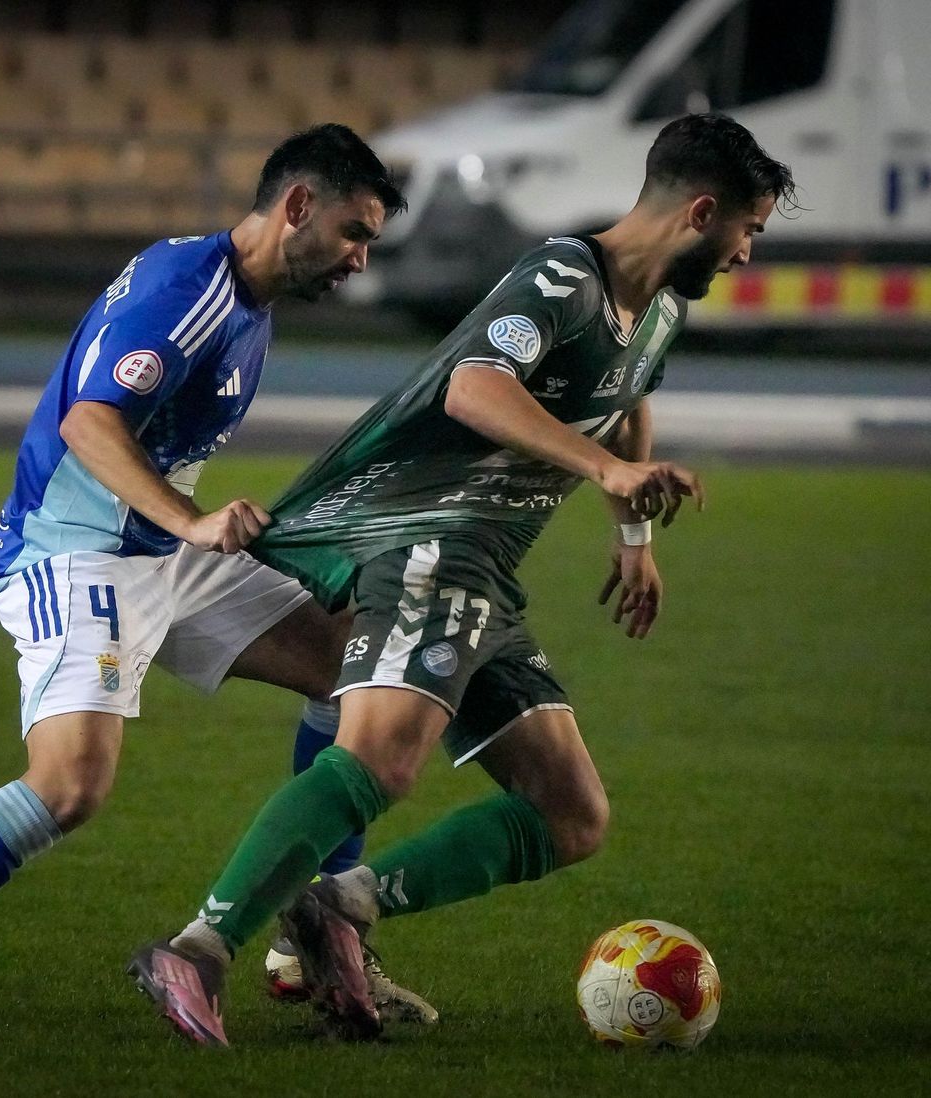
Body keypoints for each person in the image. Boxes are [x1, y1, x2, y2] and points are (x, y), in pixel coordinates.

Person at [131, 112, 794, 1047]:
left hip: (485, 568)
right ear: (700, 211)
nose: (747, 253)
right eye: (748, 229)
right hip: (428, 537)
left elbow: (628, 395)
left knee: (571, 814)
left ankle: (338, 908)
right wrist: (605, 473)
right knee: (379, 759)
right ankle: (196, 951)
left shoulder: (661, 312)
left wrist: (633, 533)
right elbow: (472, 387)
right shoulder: (561, 278)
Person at [0, 124, 436, 1028]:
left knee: (352, 661)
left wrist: (63, 506)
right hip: (89, 555)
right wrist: (147, 521)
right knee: (70, 785)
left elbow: (110, 418)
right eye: (356, 232)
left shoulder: (243, 298)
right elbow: (92, 419)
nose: (362, 258)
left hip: (151, 548)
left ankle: (307, 942)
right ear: (297, 208)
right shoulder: (187, 292)